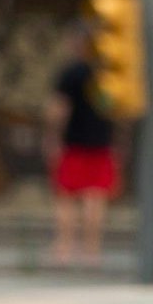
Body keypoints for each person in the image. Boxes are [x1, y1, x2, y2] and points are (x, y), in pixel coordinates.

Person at [49, 34, 122, 265]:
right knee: (95, 198)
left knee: (66, 198)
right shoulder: (108, 75)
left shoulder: (70, 74)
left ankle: (64, 247)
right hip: (102, 142)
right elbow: (117, 111)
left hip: (73, 143)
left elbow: (59, 109)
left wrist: (53, 136)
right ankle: (92, 249)